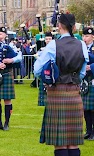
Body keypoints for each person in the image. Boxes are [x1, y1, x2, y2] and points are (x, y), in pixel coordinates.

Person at [33, 13, 88, 156]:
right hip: (75, 93)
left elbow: (37, 69)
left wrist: (48, 80)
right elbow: (82, 72)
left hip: (57, 92)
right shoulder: (81, 44)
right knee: (73, 141)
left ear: (59, 26)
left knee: (60, 143)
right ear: (74, 27)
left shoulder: (53, 45)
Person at [0, 26, 22, 131]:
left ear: (5, 35)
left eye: (0, 34)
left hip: (7, 74)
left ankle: (7, 123)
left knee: (7, 100)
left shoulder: (11, 46)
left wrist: (11, 60)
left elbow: (20, 57)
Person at [81, 27, 94, 140]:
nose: (85, 38)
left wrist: (92, 67)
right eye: (84, 36)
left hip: (93, 78)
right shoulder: (81, 48)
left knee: (93, 107)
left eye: (87, 36)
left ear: (92, 37)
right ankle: (88, 130)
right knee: (86, 107)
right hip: (84, 80)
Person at [37, 31, 53, 107]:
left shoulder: (55, 49)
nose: (48, 40)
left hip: (53, 72)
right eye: (47, 39)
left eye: (50, 39)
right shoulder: (42, 50)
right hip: (44, 72)